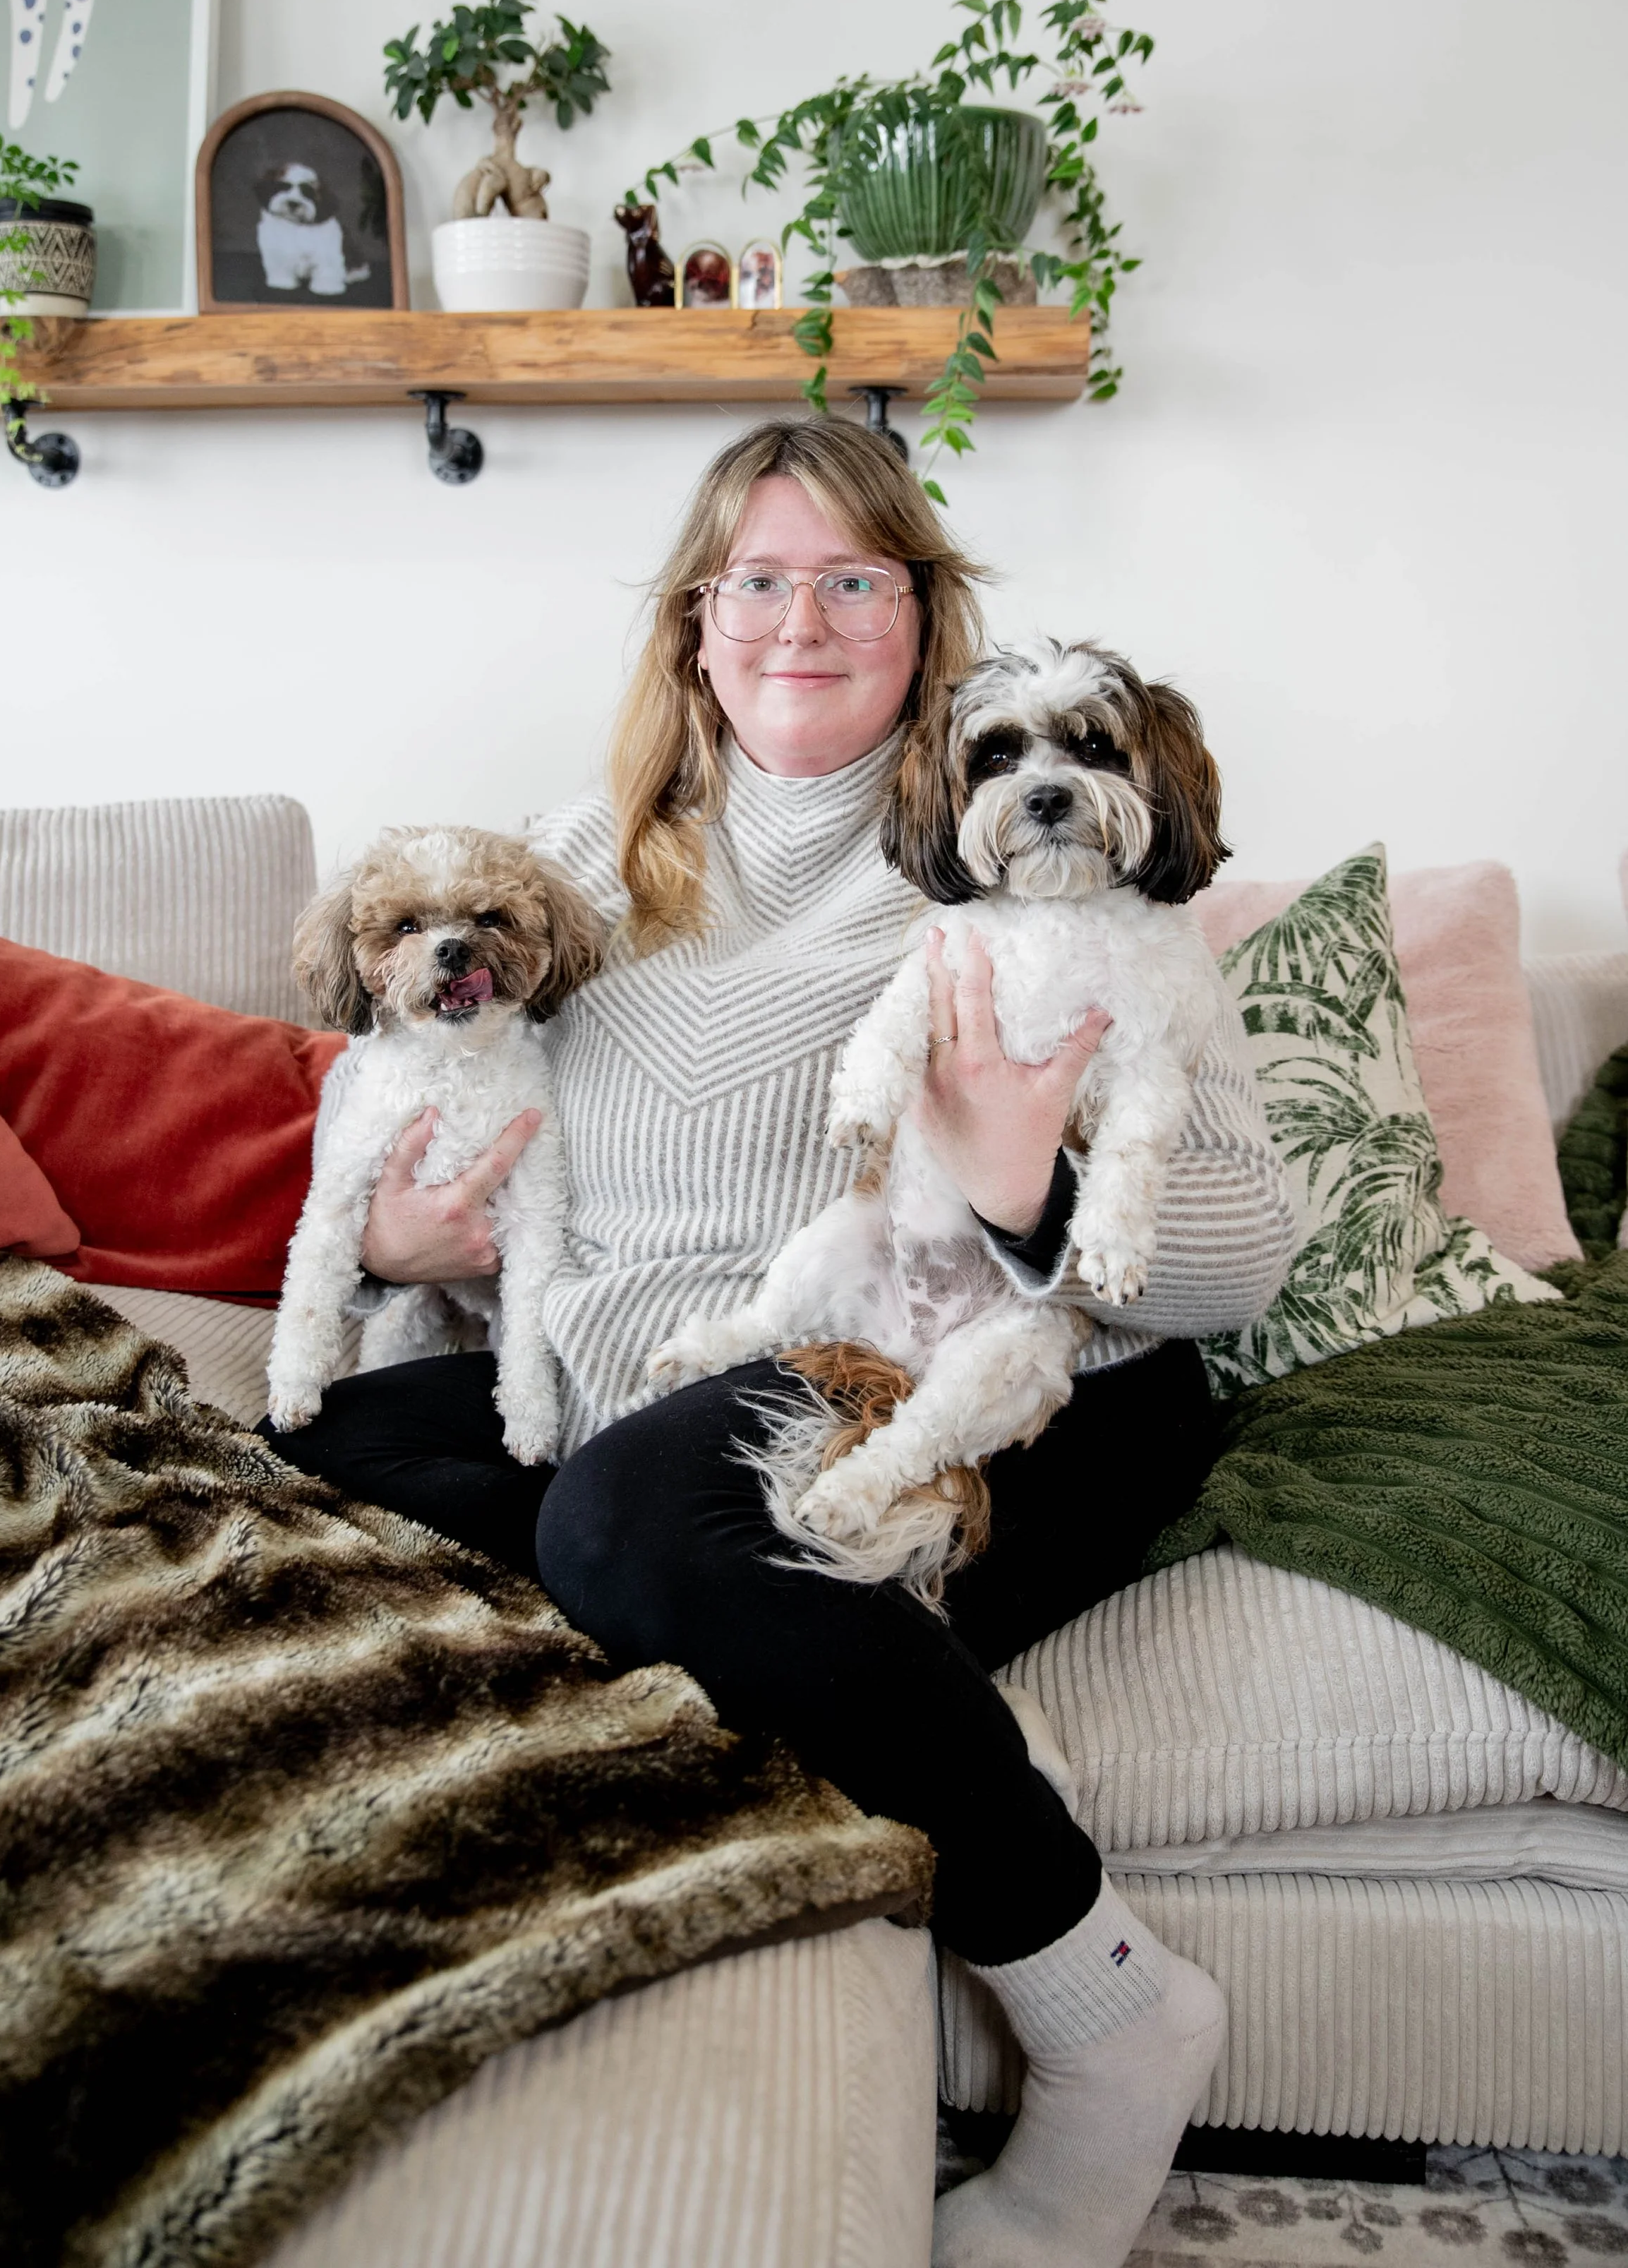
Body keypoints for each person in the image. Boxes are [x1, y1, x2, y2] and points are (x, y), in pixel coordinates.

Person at [267, 419, 1294, 2267]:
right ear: (694, 619)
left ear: (922, 612)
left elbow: (1244, 1244)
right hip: (654, 1374)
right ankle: (835, 1652)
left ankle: (1109, 2004)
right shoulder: (571, 864)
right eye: (754, 579)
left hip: (969, 1374)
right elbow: (416, 1107)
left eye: (851, 580)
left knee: (626, 1525)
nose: (798, 621)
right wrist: (410, 1244)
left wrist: (1025, 1187)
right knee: (325, 1455)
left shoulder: (1022, 835)